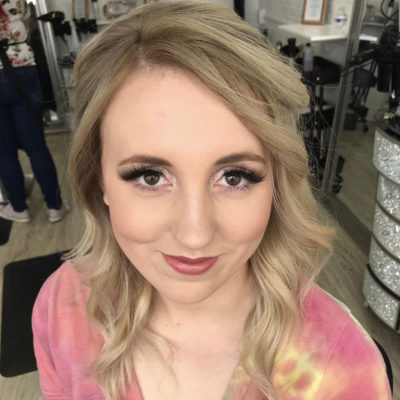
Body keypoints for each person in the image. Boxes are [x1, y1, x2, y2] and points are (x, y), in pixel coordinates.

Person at [32, 2, 392, 400]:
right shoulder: (61, 306)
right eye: (150, 177)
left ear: (276, 183)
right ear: (99, 178)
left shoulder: (343, 371)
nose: (195, 235)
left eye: (234, 177)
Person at [0, 1, 69, 223]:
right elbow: (27, 19)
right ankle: (55, 206)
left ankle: (19, 208)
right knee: (36, 146)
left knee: (4, 151)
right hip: (22, 67)